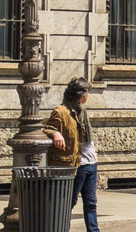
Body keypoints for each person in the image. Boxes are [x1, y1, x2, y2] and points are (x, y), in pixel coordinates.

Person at [43, 77, 100, 232]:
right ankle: (60, 228)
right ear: (81, 95)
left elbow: (86, 137)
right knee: (68, 202)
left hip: (90, 163)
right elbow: (46, 129)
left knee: (91, 202)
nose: (88, 96)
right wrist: (55, 133)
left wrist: (94, 152)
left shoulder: (82, 110)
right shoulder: (61, 111)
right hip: (74, 165)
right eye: (87, 92)